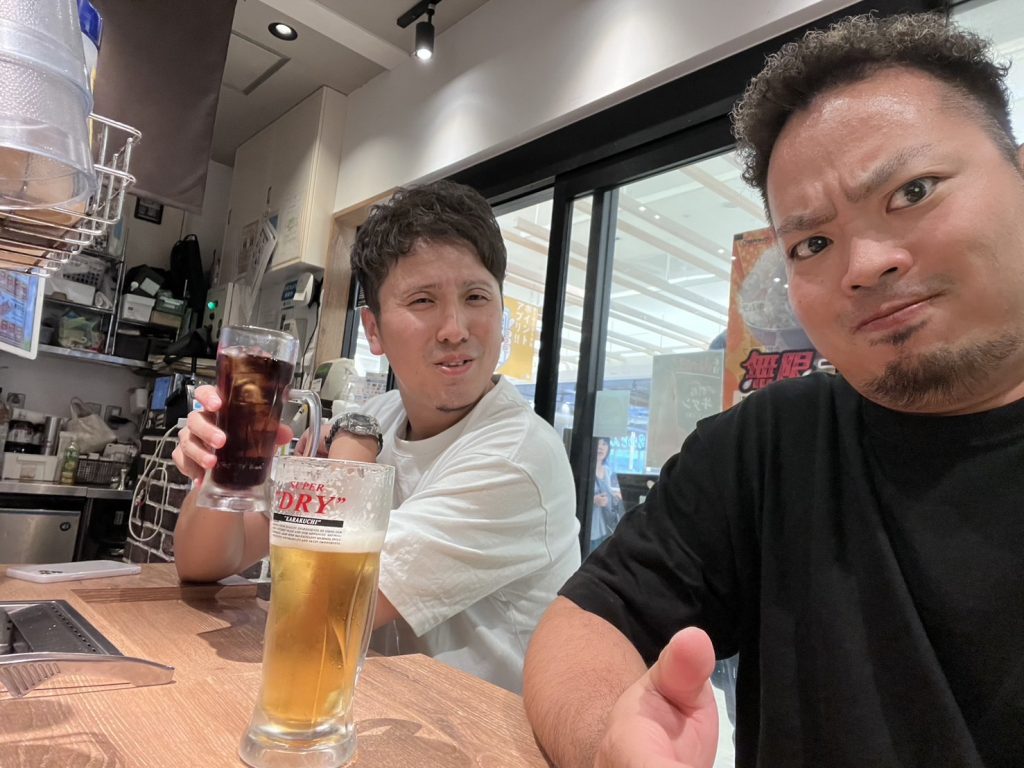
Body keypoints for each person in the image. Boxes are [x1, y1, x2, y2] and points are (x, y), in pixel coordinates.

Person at [523, 12, 1024, 768]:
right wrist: (610, 741)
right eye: (813, 242)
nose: (865, 265)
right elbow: (589, 619)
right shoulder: (770, 445)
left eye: (913, 190)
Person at [171, 180, 581, 692]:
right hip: (376, 703)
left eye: (476, 296)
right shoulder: (378, 416)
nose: (455, 329)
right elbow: (202, 563)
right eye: (423, 300)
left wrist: (347, 458)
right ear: (373, 330)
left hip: (476, 727)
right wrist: (219, 467)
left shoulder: (516, 456)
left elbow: (323, 605)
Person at [590, 437, 623, 550]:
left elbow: (609, 495)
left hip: (606, 527)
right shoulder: (586, 470)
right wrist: (594, 500)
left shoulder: (607, 471)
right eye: (598, 443)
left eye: (604, 444)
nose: (600, 447)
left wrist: (616, 497)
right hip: (591, 529)